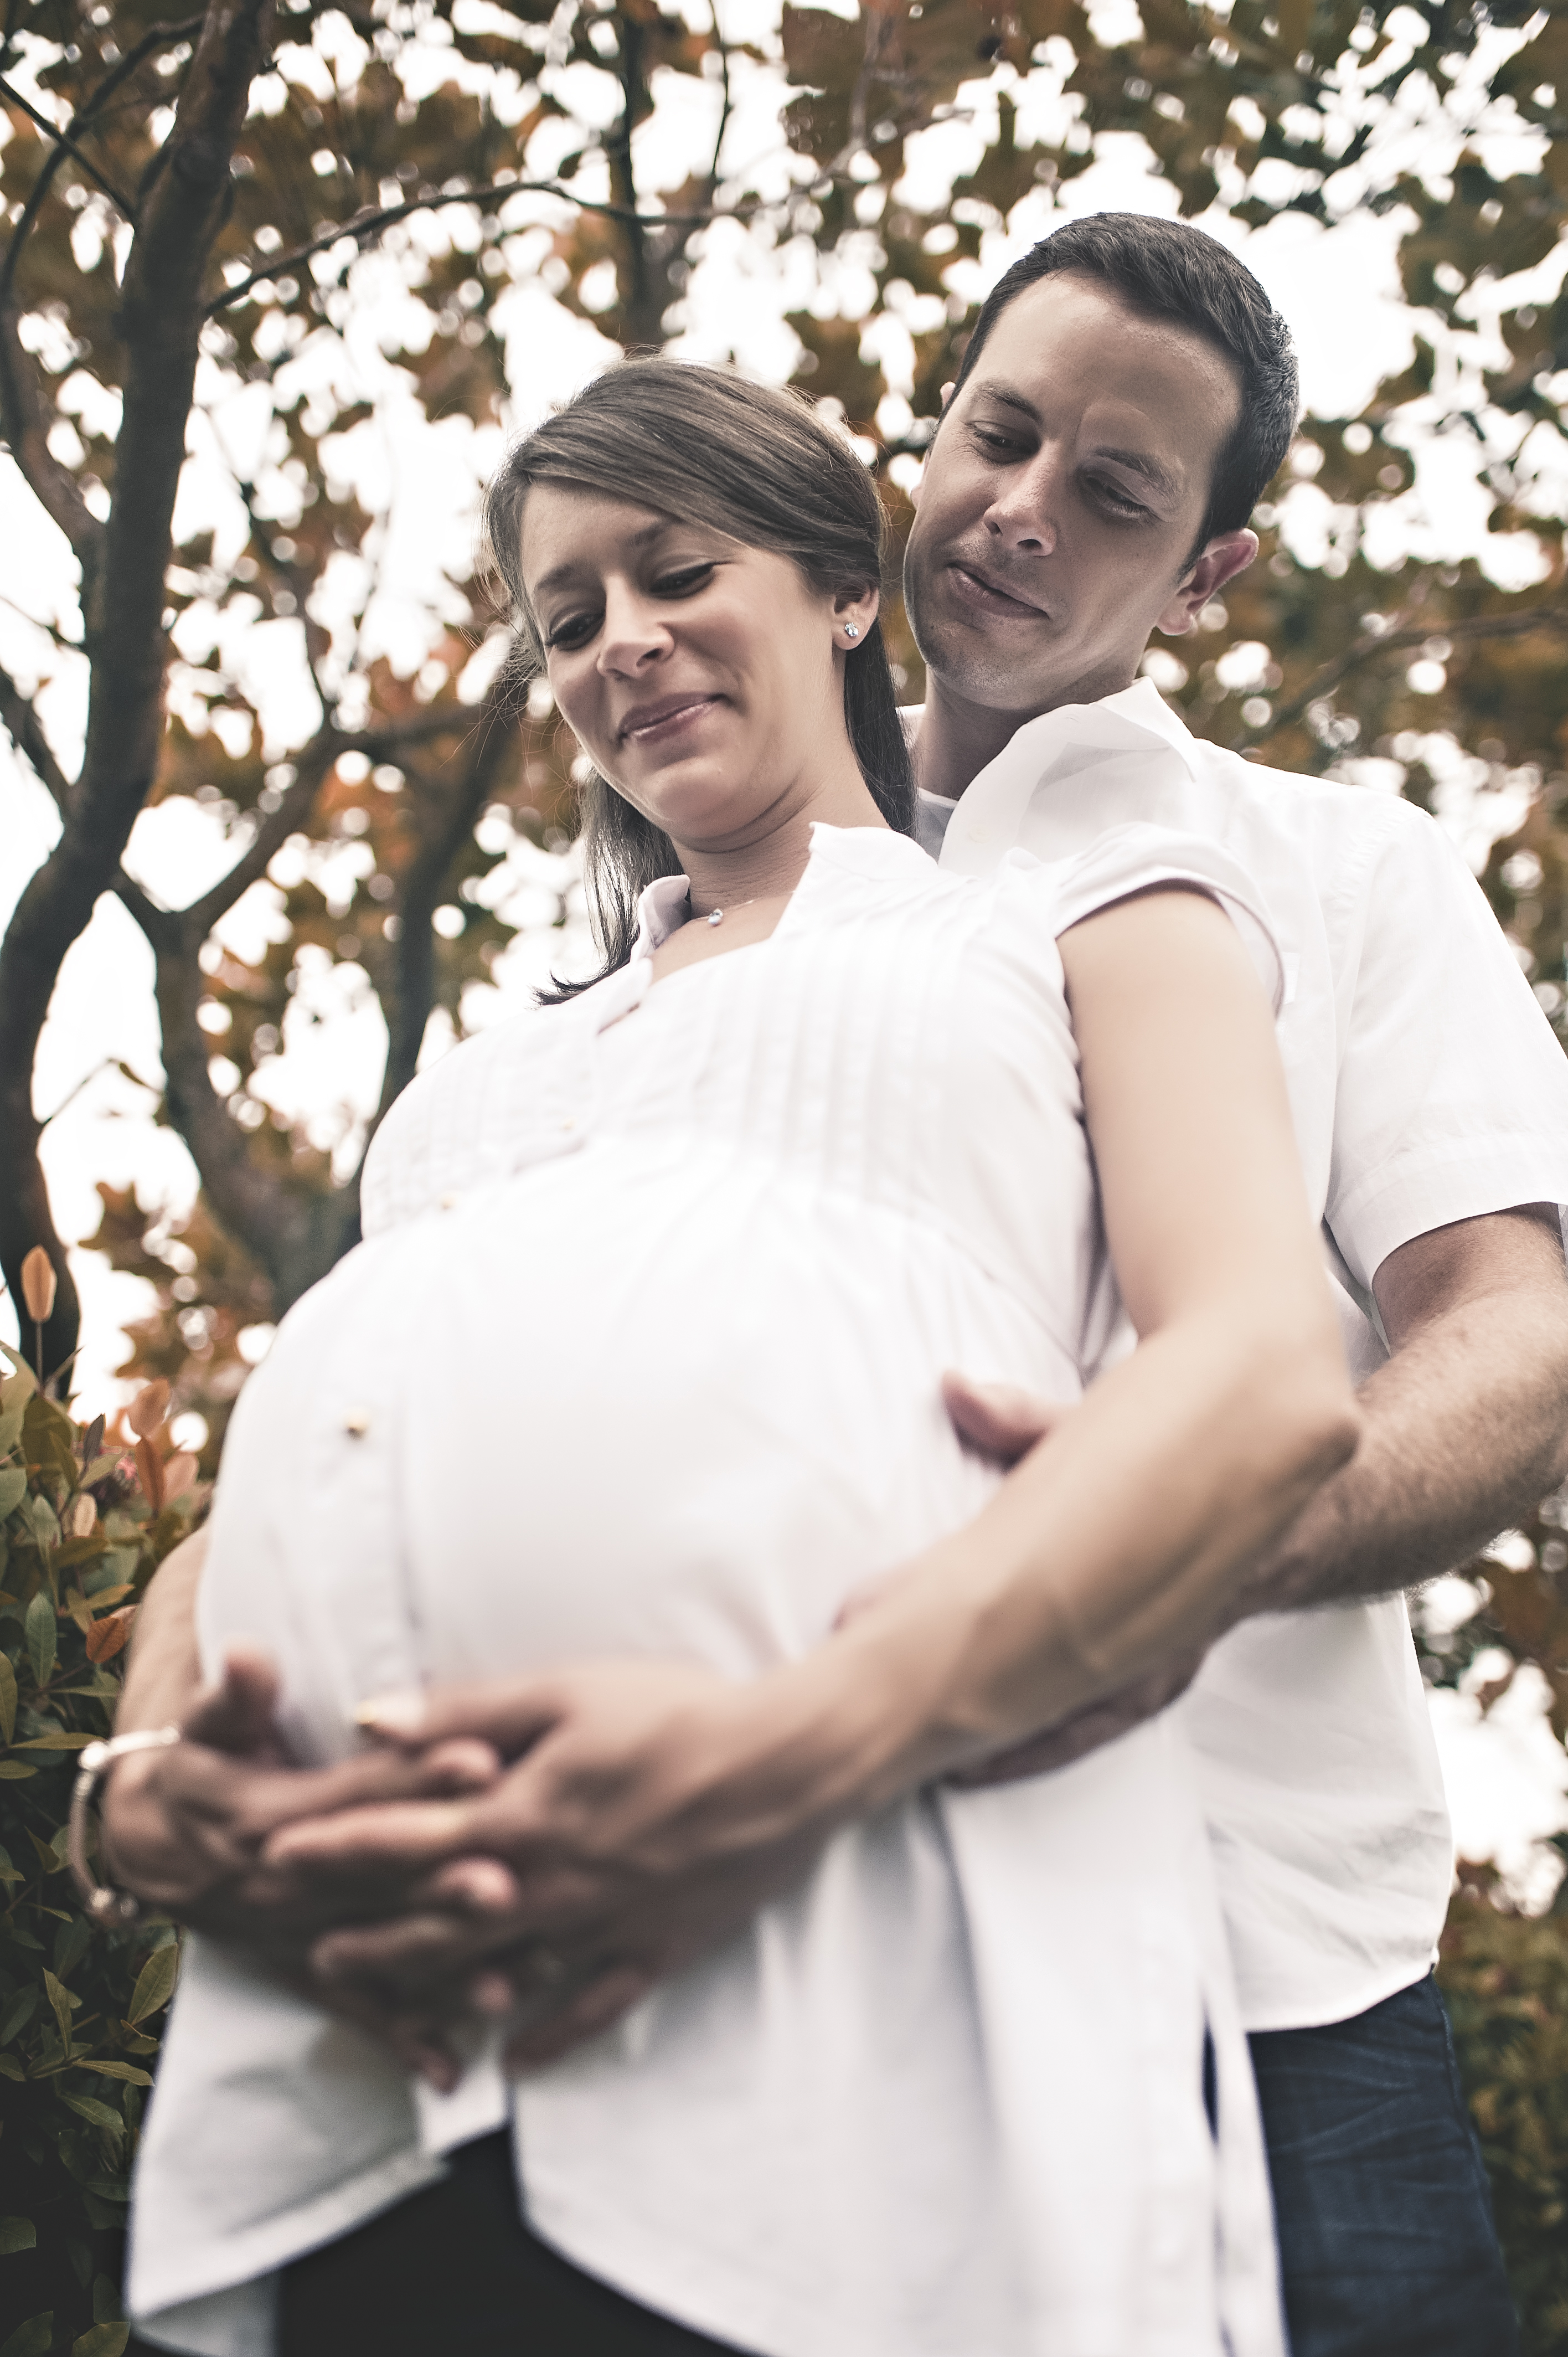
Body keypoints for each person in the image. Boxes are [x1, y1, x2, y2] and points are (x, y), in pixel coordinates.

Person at [107, 219, 1568, 2354]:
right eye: (999, 434)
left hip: (1248, 1934)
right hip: (605, 1938)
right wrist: (156, 1755)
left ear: (1210, 577)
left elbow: (1511, 1344)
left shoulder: (1287, 872)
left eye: (1118, 495)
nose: (1021, 509)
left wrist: (1150, 1543)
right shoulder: (597, 1012)